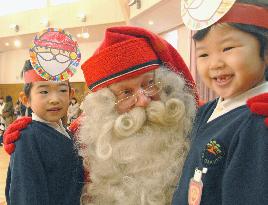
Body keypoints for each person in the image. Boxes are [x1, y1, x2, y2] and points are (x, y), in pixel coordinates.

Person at [3, 26, 198, 204]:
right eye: (126, 93)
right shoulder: (86, 138)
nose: (144, 101)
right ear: (105, 103)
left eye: (149, 84)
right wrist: (27, 135)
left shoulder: (189, 122)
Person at [172, 0, 268, 204]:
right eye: (204, 54)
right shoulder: (208, 110)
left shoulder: (259, 121)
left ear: (265, 52)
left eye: (228, 48)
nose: (215, 64)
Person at [5, 59, 84, 205]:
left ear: (71, 94)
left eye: (62, 90)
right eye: (44, 91)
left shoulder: (67, 132)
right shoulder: (26, 138)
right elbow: (26, 196)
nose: (54, 99)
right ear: (25, 99)